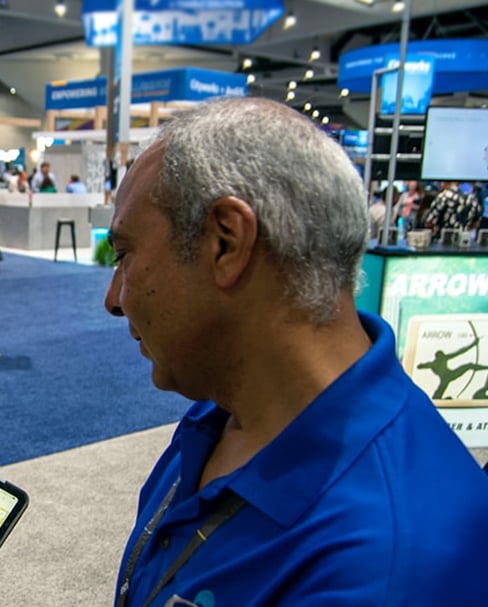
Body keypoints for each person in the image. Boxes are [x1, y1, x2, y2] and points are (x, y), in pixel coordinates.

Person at [104, 97, 488, 607]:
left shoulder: (382, 569)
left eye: (125, 255)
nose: (114, 299)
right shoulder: (220, 413)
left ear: (225, 242)